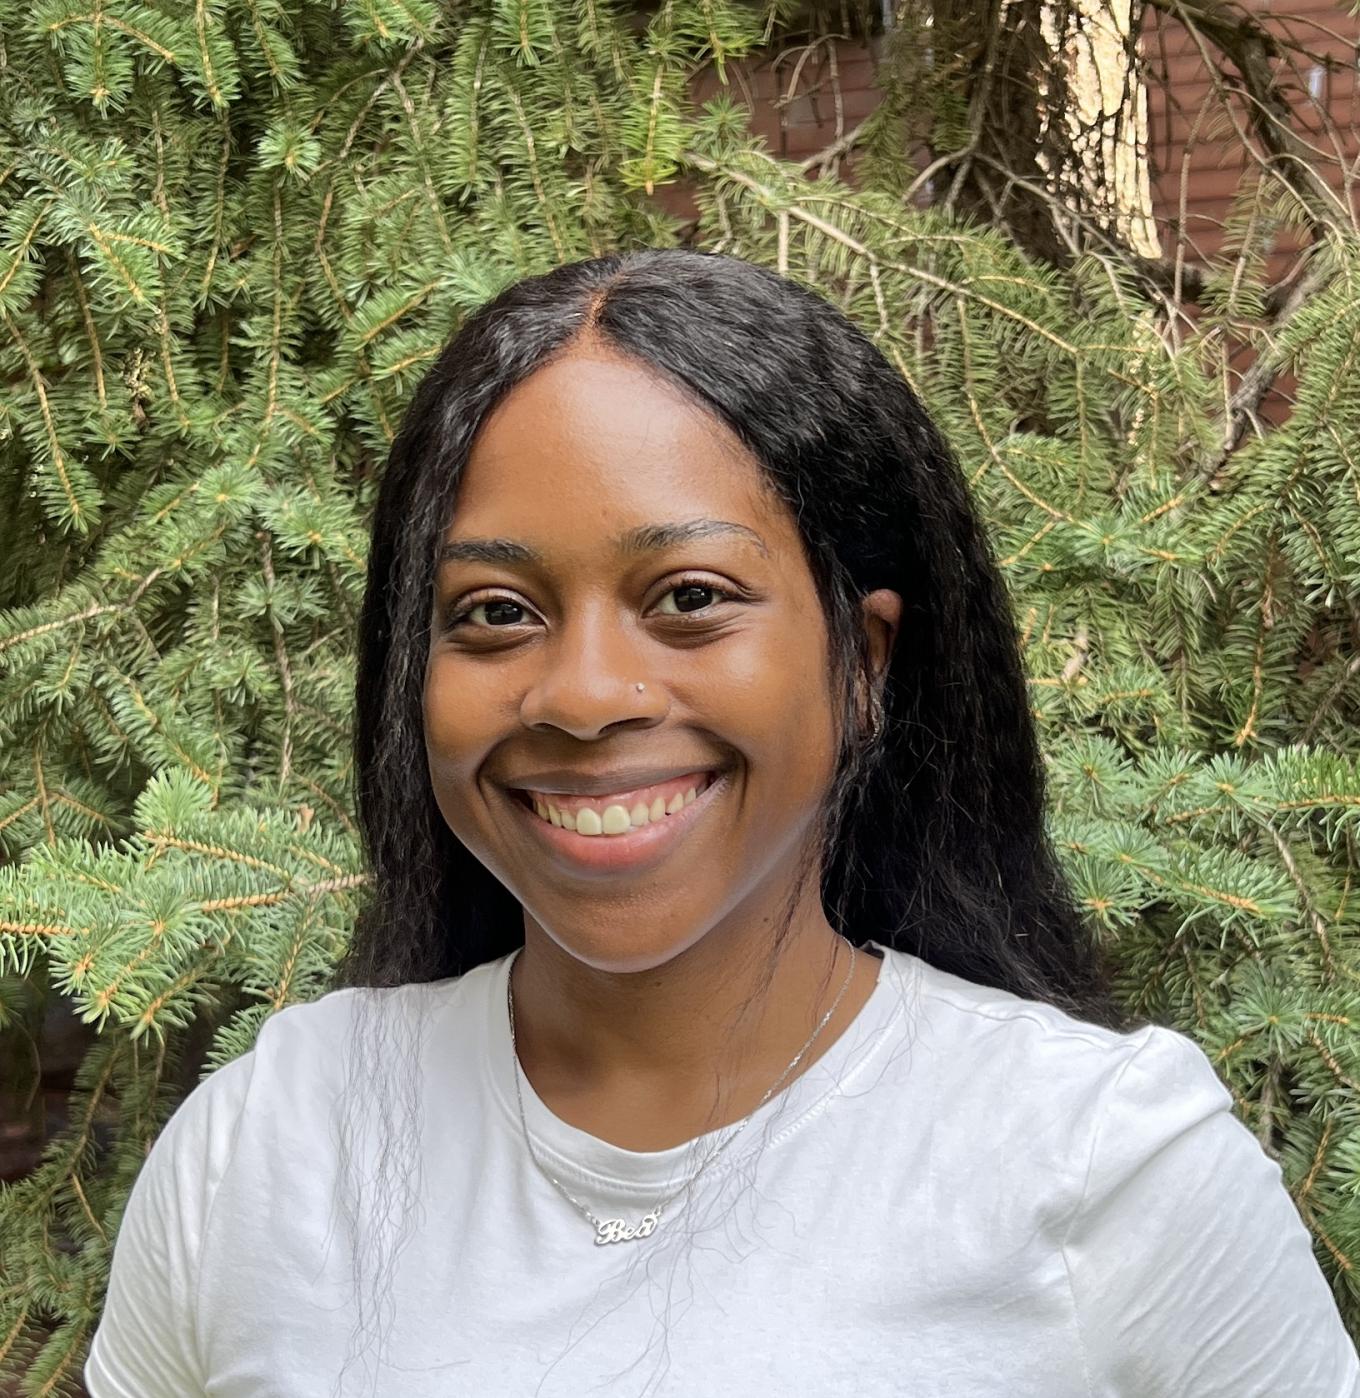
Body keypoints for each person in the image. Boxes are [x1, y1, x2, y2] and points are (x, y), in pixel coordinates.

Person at [86, 249, 1360, 1397]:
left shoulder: (1106, 1166)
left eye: (689, 596)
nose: (583, 694)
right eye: (492, 611)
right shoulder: (268, 1144)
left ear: (863, 664)